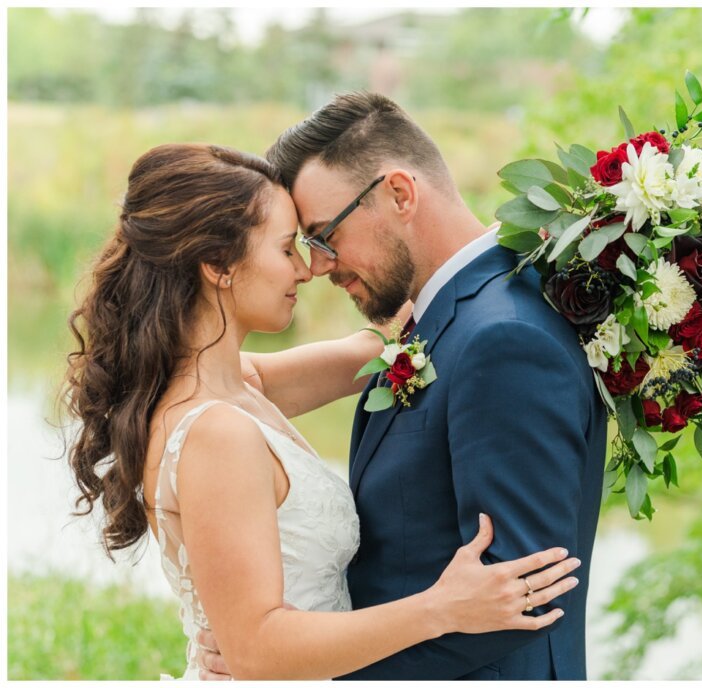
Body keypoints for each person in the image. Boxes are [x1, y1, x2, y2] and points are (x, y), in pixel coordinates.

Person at [63, 143, 582, 680]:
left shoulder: (240, 383)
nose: (308, 270)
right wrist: (440, 608)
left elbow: (383, 341)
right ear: (218, 265)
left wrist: (565, 254)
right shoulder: (217, 432)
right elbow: (255, 647)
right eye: (288, 249)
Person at [199, 92, 607, 680]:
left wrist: (302, 670)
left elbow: (520, 597)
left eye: (322, 235)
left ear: (399, 193)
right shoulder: (449, 317)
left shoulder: (505, 340)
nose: (316, 267)